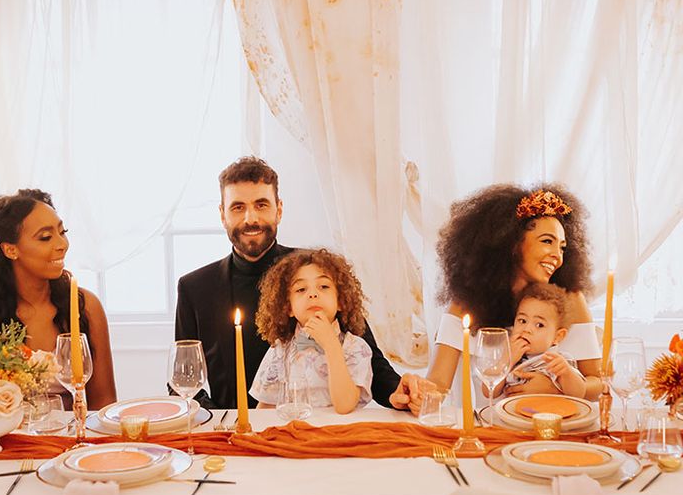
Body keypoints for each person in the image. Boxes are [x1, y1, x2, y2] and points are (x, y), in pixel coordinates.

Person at [174, 156, 425, 411]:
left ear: (279, 210)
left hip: (315, 428)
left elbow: (368, 358)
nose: (251, 218)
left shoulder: (317, 275)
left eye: (261, 204)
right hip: (233, 435)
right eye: (238, 207)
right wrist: (213, 418)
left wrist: (397, 392)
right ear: (222, 214)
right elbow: (182, 381)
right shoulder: (194, 288)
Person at [394, 184, 601, 415]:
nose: (557, 256)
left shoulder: (570, 300)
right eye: (547, 241)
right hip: (493, 432)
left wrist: (557, 388)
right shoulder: (466, 303)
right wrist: (415, 392)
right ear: (511, 243)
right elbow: (438, 385)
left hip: (559, 431)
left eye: (562, 247)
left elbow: (597, 384)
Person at [0, 189, 117, 409]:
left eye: (62, 232)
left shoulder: (85, 305)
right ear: (10, 249)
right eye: (45, 237)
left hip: (66, 438)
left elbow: (103, 404)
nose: (62, 244)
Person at [251, 249, 373, 413]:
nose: (313, 294)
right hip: (294, 433)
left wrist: (331, 345)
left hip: (339, 433)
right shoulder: (280, 350)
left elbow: (345, 405)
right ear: (288, 308)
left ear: (341, 302)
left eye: (323, 286)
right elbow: (266, 407)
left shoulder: (355, 348)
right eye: (301, 289)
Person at [492, 282, 587, 399]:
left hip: (548, 415)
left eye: (539, 325)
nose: (527, 329)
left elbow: (579, 394)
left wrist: (566, 373)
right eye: (522, 321)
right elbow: (489, 391)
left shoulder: (557, 361)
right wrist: (507, 361)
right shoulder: (510, 357)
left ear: (558, 336)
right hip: (511, 415)